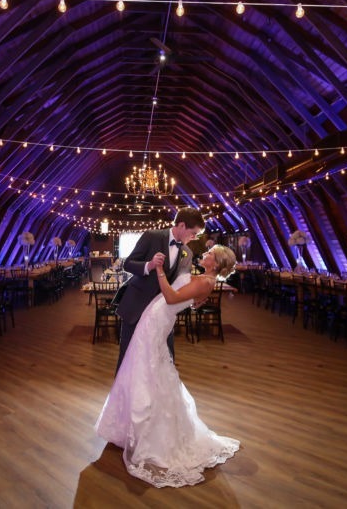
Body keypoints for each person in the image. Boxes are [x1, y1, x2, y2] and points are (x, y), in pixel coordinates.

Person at [95, 245, 240, 487]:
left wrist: (160, 270)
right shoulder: (205, 278)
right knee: (145, 367)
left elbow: (172, 297)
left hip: (158, 320)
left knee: (148, 368)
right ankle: (134, 424)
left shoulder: (206, 281)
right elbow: (190, 301)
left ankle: (147, 429)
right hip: (156, 318)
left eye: (209, 254)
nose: (204, 254)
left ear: (215, 263)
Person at [114, 207, 205, 373]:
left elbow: (181, 285)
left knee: (166, 357)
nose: (195, 237)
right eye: (193, 233)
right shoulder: (152, 236)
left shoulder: (187, 253)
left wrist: (191, 301)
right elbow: (128, 264)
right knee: (127, 356)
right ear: (182, 225)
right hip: (137, 306)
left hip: (163, 313)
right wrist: (149, 265)